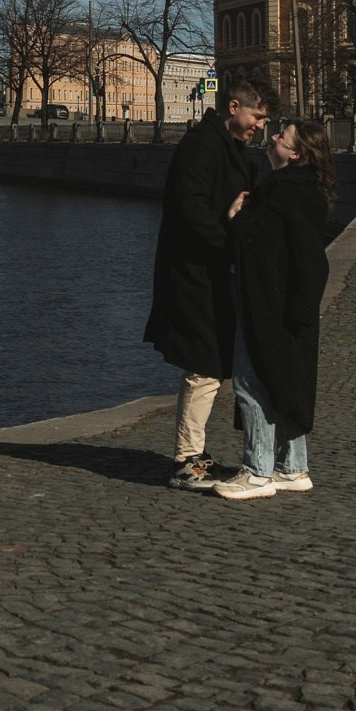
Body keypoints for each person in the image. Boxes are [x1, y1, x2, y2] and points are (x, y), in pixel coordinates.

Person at [143, 77, 274, 490]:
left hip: (210, 271)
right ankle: (185, 460)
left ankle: (194, 454)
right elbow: (192, 212)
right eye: (257, 117)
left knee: (211, 366)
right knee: (203, 366)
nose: (260, 126)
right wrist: (231, 233)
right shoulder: (202, 145)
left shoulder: (227, 145)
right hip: (194, 272)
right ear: (234, 107)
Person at [216, 118, 335, 501]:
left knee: (253, 381)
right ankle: (293, 466)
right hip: (293, 305)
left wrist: (233, 218)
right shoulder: (308, 191)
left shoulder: (279, 192)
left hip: (268, 302)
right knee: (289, 383)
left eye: (281, 137)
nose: (272, 139)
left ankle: (257, 470)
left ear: (295, 153)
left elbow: (256, 246)